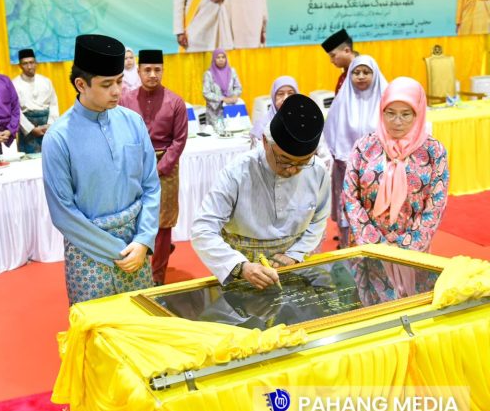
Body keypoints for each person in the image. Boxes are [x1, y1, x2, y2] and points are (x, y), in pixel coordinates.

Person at [42, 34, 160, 305]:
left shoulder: (133, 122)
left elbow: (151, 186)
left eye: (119, 81)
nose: (117, 91)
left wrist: (143, 240)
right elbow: (63, 212)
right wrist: (117, 251)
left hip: (136, 245)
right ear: (81, 84)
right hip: (88, 253)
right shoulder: (58, 137)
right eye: (107, 84)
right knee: (97, 327)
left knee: (139, 323)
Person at [191, 94, 330, 289]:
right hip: (245, 273)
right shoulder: (237, 172)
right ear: (265, 141)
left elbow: (318, 219)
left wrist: (295, 254)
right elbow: (202, 228)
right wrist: (240, 266)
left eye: (302, 163)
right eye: (285, 160)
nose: (292, 170)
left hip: (295, 266)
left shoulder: (317, 170)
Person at [342, 77, 449, 252]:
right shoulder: (365, 146)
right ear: (381, 111)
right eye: (390, 113)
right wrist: (374, 243)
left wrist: (407, 246)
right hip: (367, 248)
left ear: (418, 114)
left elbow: (436, 203)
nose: (397, 121)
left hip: (412, 251)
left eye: (405, 114)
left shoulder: (434, 151)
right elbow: (350, 196)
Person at [120, 49, 188, 285]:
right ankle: (137, 267)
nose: (152, 74)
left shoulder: (176, 102)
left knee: (163, 222)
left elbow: (179, 140)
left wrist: (160, 168)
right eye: (147, 70)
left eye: (157, 70)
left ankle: (157, 277)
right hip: (134, 167)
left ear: (163, 71)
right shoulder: (125, 100)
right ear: (138, 71)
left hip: (165, 168)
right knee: (134, 217)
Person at [324, 55, 387, 247]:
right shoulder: (341, 101)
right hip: (345, 170)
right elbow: (330, 132)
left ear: (375, 75)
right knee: (348, 214)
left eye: (366, 72)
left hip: (379, 172)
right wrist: (343, 159)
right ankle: (347, 251)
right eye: (356, 72)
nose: (361, 76)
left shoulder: (385, 101)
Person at [11, 48, 59, 154]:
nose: (29, 67)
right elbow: (15, 110)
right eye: (25, 63)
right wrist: (31, 129)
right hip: (28, 130)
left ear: (36, 63)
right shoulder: (14, 84)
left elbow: (53, 104)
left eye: (31, 62)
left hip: (47, 127)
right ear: (19, 65)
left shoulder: (46, 81)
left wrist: (50, 124)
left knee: (50, 157)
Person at [202, 49, 242, 126]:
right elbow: (206, 93)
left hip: (231, 108)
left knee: (233, 129)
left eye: (223, 57)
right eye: (218, 57)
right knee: (217, 131)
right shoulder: (208, 74)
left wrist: (234, 96)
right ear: (214, 59)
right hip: (215, 111)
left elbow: (238, 87)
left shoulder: (232, 71)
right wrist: (222, 99)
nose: (221, 59)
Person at [321, 28, 358, 95]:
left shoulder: (362, 74)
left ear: (347, 51)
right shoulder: (343, 76)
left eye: (333, 55)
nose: (331, 61)